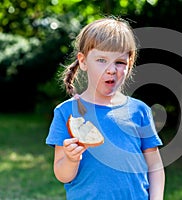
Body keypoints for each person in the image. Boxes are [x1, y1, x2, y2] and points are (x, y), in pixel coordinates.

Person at [45, 17, 165, 200]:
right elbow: (62, 175)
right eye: (101, 60)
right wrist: (71, 159)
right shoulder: (66, 113)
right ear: (83, 62)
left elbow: (155, 166)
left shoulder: (139, 111)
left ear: (129, 65)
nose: (111, 69)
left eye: (120, 62)